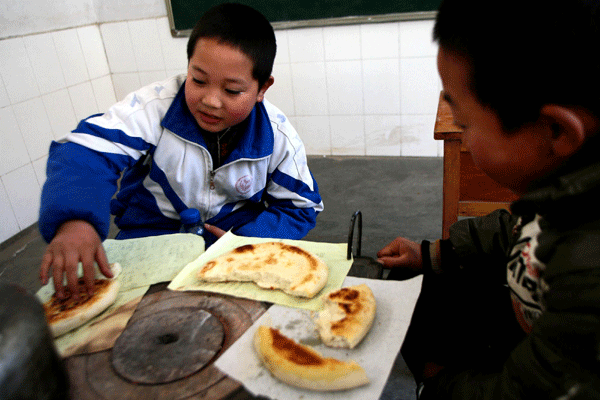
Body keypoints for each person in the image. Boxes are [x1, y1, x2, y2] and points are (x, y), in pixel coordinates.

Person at [377, 0, 600, 398]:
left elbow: (531, 390)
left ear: (557, 131)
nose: (460, 135)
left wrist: (443, 381)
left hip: (542, 371)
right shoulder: (568, 188)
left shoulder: (587, 269)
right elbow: (515, 228)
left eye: (464, 124)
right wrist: (431, 253)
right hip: (528, 313)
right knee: (417, 290)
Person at [38, 3, 323, 300]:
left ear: (262, 88)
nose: (211, 101)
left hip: (230, 244)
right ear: (188, 66)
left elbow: (301, 207)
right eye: (198, 80)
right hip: (148, 237)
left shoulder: (275, 135)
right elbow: (86, 152)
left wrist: (248, 240)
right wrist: (75, 222)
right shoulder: (153, 109)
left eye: (232, 91)